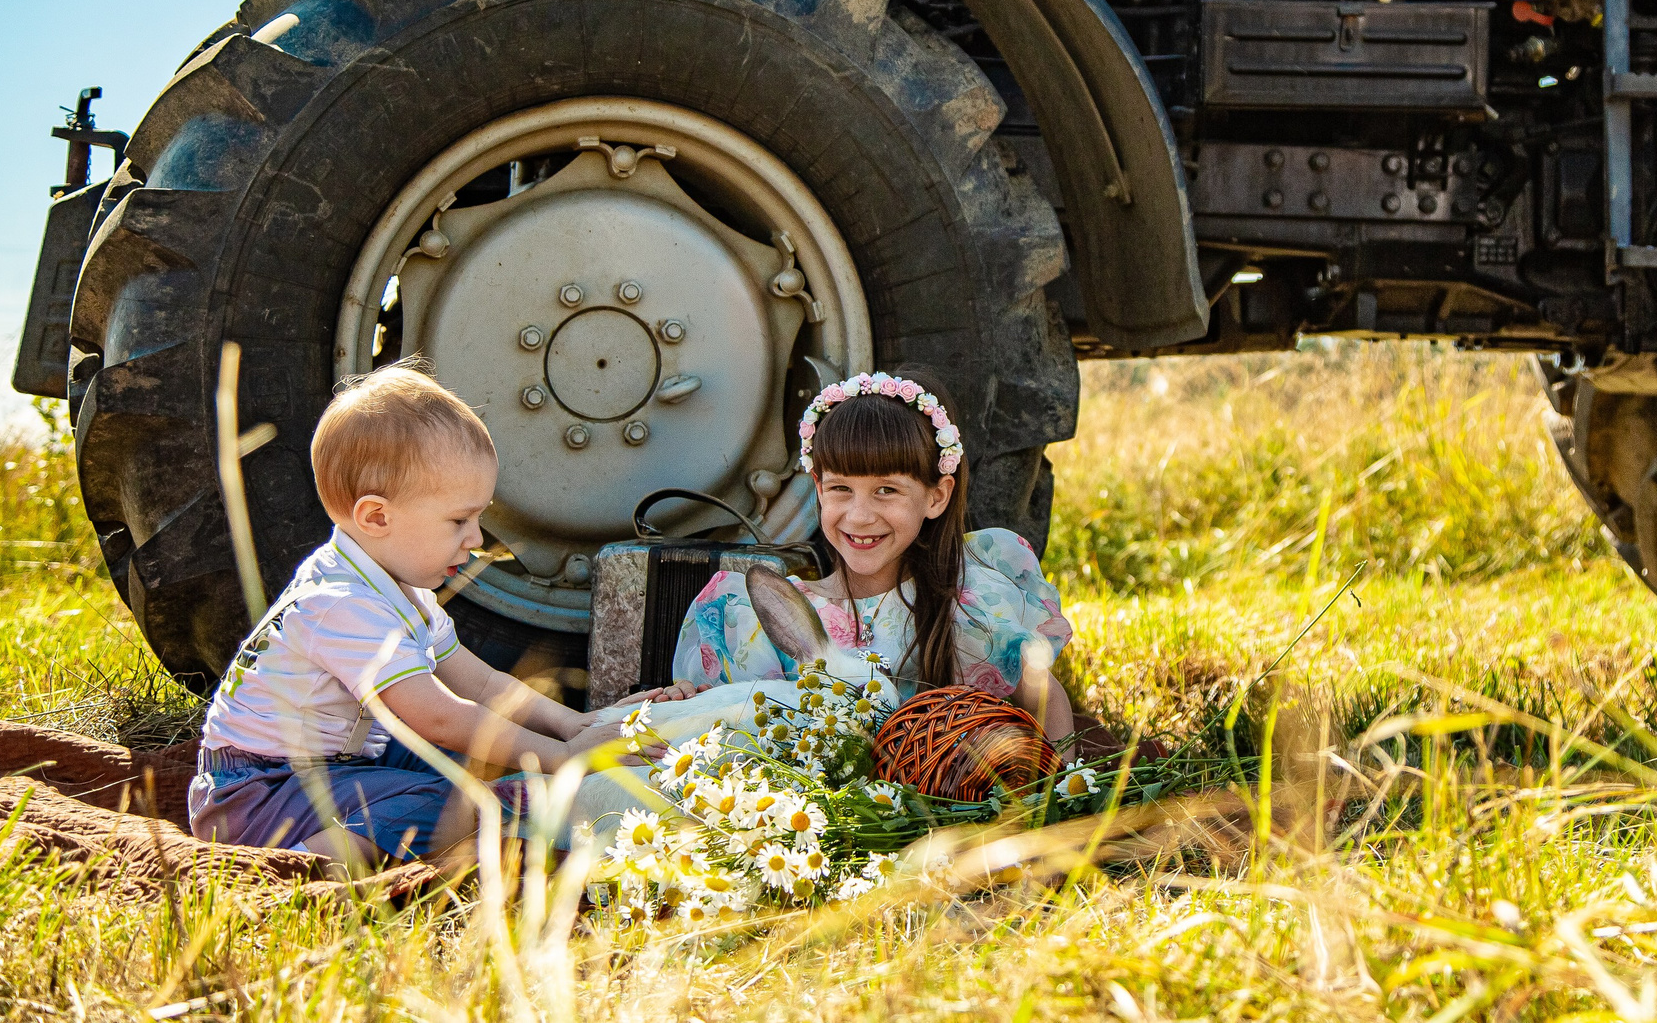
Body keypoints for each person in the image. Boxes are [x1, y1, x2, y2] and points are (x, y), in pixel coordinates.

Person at [188, 362, 676, 867]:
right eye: (460, 519)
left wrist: (573, 728)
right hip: (259, 794)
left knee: (478, 762)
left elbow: (481, 686)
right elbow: (440, 717)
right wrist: (563, 759)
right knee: (451, 808)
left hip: (344, 763)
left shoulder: (398, 585)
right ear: (376, 517)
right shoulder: (340, 604)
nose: (476, 538)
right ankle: (290, 865)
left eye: (479, 517)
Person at [670, 367, 1078, 747]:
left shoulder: (969, 602)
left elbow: (1042, 697)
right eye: (840, 489)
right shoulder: (753, 615)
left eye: (887, 490)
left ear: (937, 496)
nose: (860, 516)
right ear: (818, 488)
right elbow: (724, 728)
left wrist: (1065, 788)